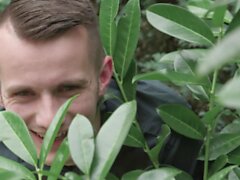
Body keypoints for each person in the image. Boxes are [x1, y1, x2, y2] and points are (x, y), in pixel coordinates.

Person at [0, 0, 201, 178]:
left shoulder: (165, 127)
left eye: (69, 88)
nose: (49, 119)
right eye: (23, 94)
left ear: (103, 76)